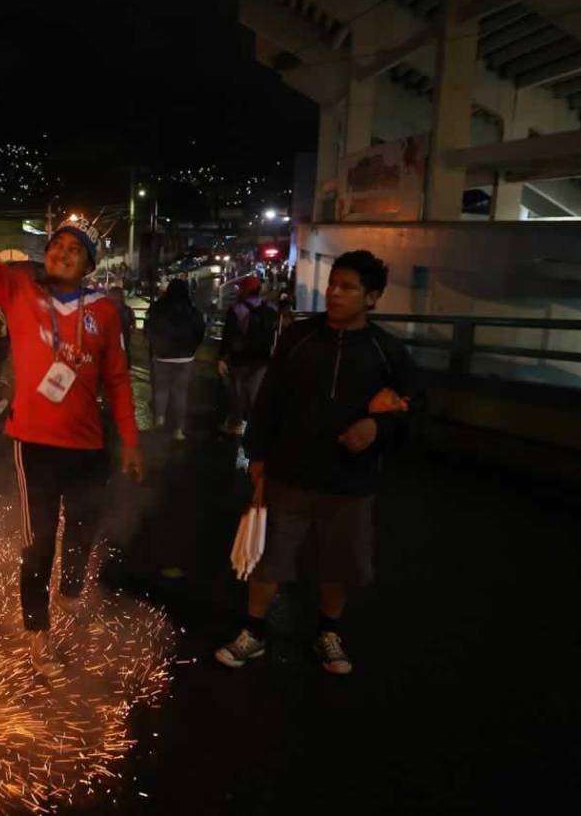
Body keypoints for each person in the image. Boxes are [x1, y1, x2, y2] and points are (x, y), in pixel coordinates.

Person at [0, 150, 143, 678]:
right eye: (57, 246)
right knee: (38, 543)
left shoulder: (104, 312)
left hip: (89, 445)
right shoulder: (19, 292)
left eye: (74, 250)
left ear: (89, 264)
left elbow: (117, 380)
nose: (63, 253)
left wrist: (130, 441)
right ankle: (37, 635)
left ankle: (72, 587)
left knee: (82, 532)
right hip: (33, 444)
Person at [215, 250, 419, 675]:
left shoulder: (387, 352)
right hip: (289, 473)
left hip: (350, 480)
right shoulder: (299, 338)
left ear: (372, 297)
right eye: (332, 284)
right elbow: (269, 399)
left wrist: (377, 430)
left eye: (348, 287)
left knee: (338, 560)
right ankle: (254, 630)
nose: (335, 293)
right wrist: (257, 455)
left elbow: (414, 410)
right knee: (268, 555)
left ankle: (329, 631)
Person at [145, 279, 205, 441]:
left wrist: (157, 346)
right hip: (185, 358)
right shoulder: (191, 310)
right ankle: (178, 430)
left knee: (162, 389)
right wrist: (191, 348)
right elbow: (200, 330)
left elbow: (149, 328)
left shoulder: (158, 308)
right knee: (180, 393)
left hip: (162, 356)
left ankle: (160, 418)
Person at [218, 275, 277, 437]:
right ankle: (256, 428)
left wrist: (222, 358)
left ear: (244, 290)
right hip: (262, 360)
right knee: (256, 394)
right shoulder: (270, 308)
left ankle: (235, 425)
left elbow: (228, 336)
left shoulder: (237, 310)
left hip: (240, 360)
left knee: (237, 394)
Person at [106, 287, 136, 368]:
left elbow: (132, 323)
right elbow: (133, 323)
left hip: (120, 336)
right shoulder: (127, 309)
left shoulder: (110, 309)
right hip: (121, 336)